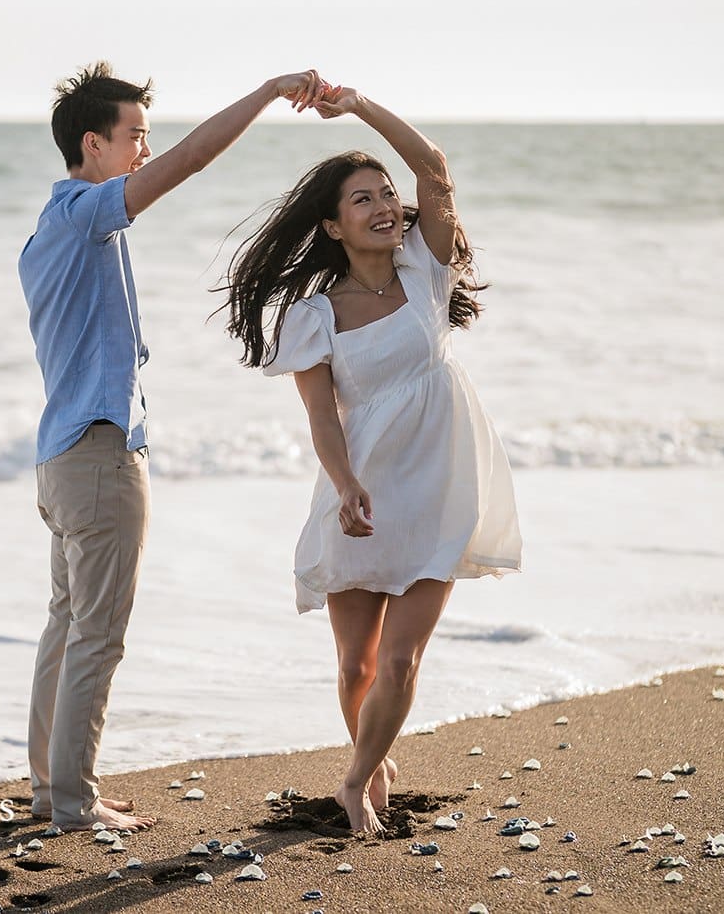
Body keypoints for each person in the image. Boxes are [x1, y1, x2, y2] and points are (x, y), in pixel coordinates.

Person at [19, 62, 325, 833]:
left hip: (61, 456)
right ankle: (74, 802)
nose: (147, 150)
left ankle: (51, 788)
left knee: (66, 622)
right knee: (96, 633)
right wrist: (265, 93)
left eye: (147, 136)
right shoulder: (88, 212)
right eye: (136, 136)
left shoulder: (49, 228)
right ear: (93, 143)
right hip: (97, 456)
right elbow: (191, 162)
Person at [221, 85, 522, 834]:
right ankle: (374, 755)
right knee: (356, 664)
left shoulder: (426, 266)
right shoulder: (312, 315)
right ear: (332, 224)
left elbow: (435, 168)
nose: (386, 204)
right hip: (360, 493)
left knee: (399, 660)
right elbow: (322, 416)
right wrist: (346, 483)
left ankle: (355, 778)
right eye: (364, 198)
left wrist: (357, 105)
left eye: (388, 192)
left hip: (439, 487)